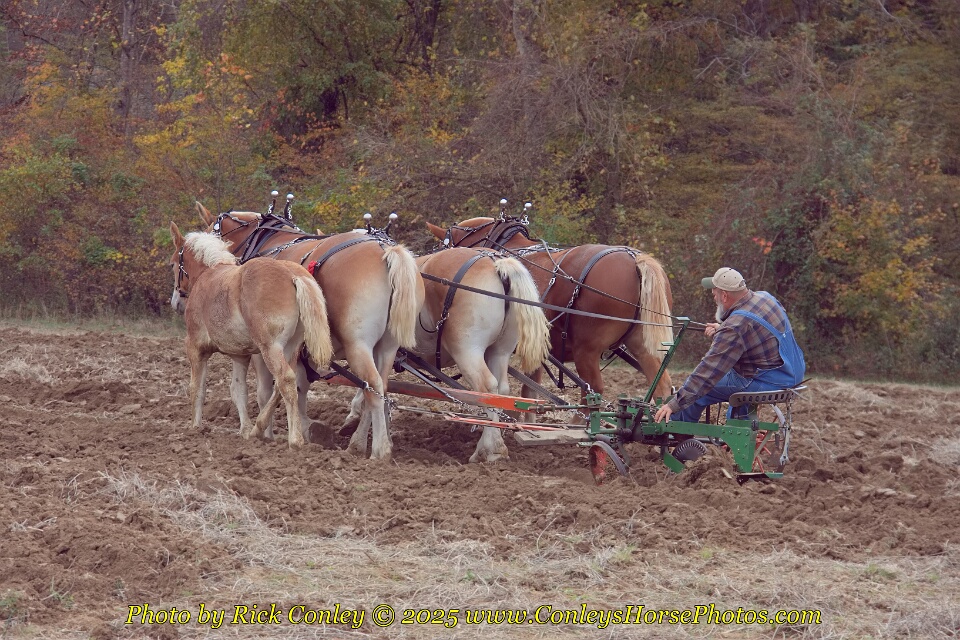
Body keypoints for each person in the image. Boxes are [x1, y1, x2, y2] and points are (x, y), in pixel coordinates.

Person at [653, 267, 805, 424]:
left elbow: (709, 370)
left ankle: (678, 430)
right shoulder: (765, 297)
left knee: (700, 390)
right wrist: (722, 330)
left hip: (769, 382)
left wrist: (675, 404)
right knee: (732, 376)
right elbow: (760, 332)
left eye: (714, 294)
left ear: (724, 296)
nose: (714, 297)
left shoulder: (735, 326)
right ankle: (742, 423)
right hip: (792, 374)